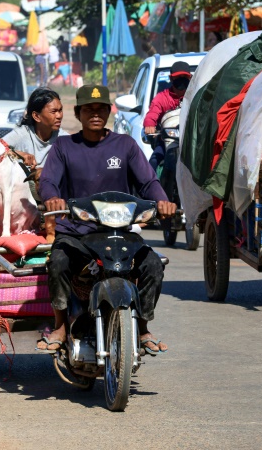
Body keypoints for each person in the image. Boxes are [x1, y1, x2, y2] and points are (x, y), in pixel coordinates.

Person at [37, 85, 177, 354]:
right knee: (58, 261)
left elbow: (148, 181)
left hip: (119, 232)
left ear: (109, 112)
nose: (95, 114)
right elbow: (49, 181)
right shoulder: (64, 146)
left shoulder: (125, 145)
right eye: (88, 109)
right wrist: (52, 198)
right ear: (78, 113)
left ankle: (144, 327)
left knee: (152, 265)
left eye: (101, 108)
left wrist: (162, 201)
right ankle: (60, 326)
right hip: (77, 233)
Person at [143, 61, 192, 171]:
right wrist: (149, 124)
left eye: (185, 77)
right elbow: (152, 113)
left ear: (190, 78)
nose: (182, 79)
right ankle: (151, 187)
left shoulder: (195, 96)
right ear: (171, 79)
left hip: (192, 140)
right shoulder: (161, 97)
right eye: (178, 77)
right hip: (166, 141)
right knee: (153, 162)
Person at [3, 87, 68, 168]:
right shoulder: (22, 134)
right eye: (53, 111)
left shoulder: (63, 139)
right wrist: (18, 154)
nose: (59, 116)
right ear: (36, 116)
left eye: (60, 110)